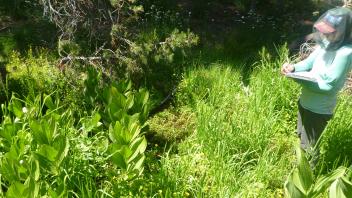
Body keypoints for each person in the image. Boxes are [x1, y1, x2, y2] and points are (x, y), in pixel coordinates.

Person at [281, 7, 352, 164]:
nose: (325, 35)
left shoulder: (345, 53)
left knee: (310, 146)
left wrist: (298, 79)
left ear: (344, 31)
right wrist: (293, 68)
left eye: (330, 32)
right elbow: (309, 62)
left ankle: (307, 178)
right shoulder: (327, 43)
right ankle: (300, 168)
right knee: (301, 135)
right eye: (324, 31)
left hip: (319, 109)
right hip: (305, 101)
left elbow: (328, 86)